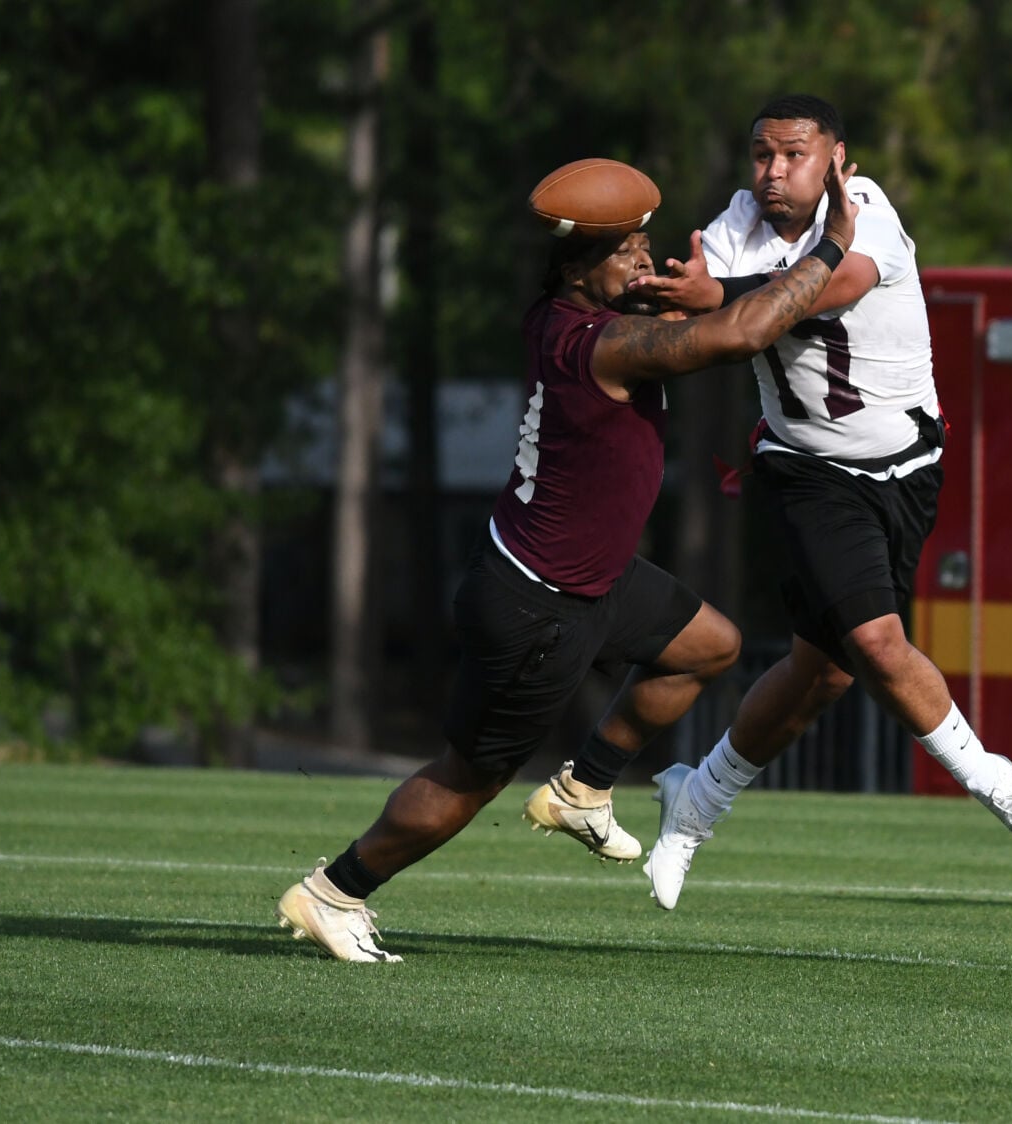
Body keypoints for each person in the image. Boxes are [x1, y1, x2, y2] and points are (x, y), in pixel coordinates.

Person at [273, 157, 860, 961]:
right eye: (629, 250)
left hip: (588, 572)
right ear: (582, 269)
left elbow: (681, 314)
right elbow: (742, 334)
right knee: (468, 778)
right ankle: (334, 892)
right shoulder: (607, 344)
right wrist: (827, 249)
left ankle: (584, 787)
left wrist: (672, 285)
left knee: (707, 648)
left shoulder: (558, 312)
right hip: (538, 603)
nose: (646, 261)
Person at [620, 94, 1012, 911]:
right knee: (877, 642)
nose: (774, 172)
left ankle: (696, 801)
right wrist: (673, 294)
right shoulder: (730, 232)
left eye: (793, 154)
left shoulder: (866, 210)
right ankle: (995, 782)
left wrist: (717, 296)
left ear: (835, 158)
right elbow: (713, 314)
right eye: (762, 155)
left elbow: (830, 286)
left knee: (819, 674)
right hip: (807, 469)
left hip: (908, 466)